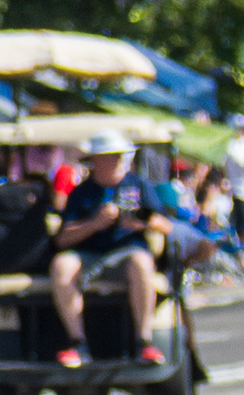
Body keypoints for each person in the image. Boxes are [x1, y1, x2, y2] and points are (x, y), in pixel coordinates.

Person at [45, 131, 167, 366]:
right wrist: (94, 224)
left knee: (142, 263)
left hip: (127, 252)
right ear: (96, 160)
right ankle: (78, 343)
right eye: (109, 156)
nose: (115, 161)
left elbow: (165, 224)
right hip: (89, 255)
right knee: (62, 265)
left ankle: (144, 341)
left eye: (118, 156)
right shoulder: (81, 193)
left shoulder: (138, 185)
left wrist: (140, 222)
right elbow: (61, 240)